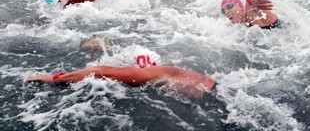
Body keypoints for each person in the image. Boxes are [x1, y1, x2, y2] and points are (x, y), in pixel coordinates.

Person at [28, 65, 216, 99]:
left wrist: (56, 78)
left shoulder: (157, 73)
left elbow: (101, 71)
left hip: (211, 101)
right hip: (219, 93)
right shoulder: (183, 73)